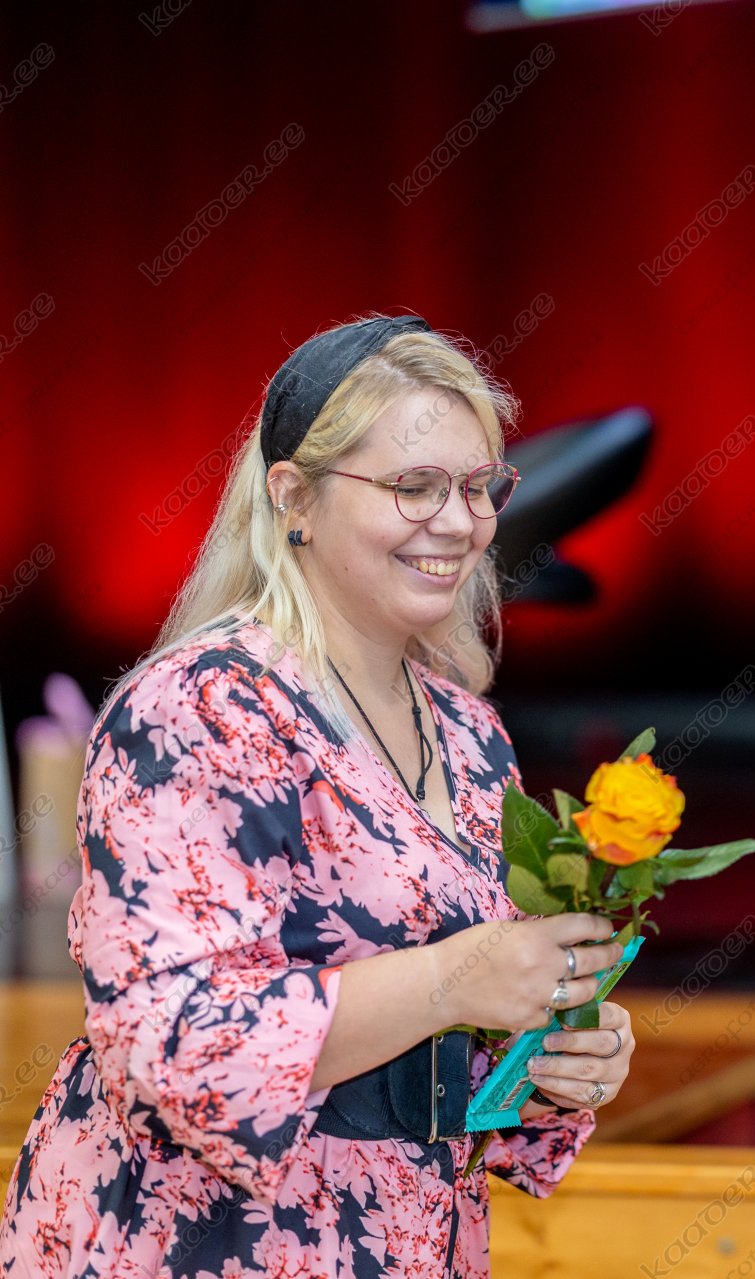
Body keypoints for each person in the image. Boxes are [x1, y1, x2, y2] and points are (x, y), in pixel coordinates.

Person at [0, 316, 634, 1276]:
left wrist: (545, 1064)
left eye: (478, 487)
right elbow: (175, 1047)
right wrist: (454, 977)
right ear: (293, 496)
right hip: (197, 1244)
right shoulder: (201, 708)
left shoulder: (469, 735)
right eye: (414, 486)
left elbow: (437, 1056)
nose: (458, 521)